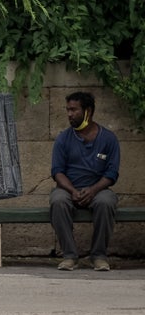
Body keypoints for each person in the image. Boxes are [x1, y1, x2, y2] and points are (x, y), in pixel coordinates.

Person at [50, 91, 120, 271]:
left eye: (74, 110)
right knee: (58, 201)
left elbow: (111, 173)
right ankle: (70, 256)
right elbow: (57, 172)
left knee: (106, 202)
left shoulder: (108, 138)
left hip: (98, 189)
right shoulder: (63, 138)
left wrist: (93, 190)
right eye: (68, 110)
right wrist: (73, 191)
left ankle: (98, 256)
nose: (69, 114)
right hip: (67, 188)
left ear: (88, 111)